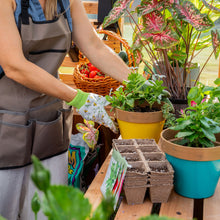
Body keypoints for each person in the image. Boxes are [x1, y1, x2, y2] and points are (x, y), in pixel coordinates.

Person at [0, 0, 130, 219]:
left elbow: (93, 45)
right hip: (6, 128)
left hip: (48, 125)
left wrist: (137, 81)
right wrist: (79, 98)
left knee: (46, 212)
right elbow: (14, 65)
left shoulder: (64, 2)